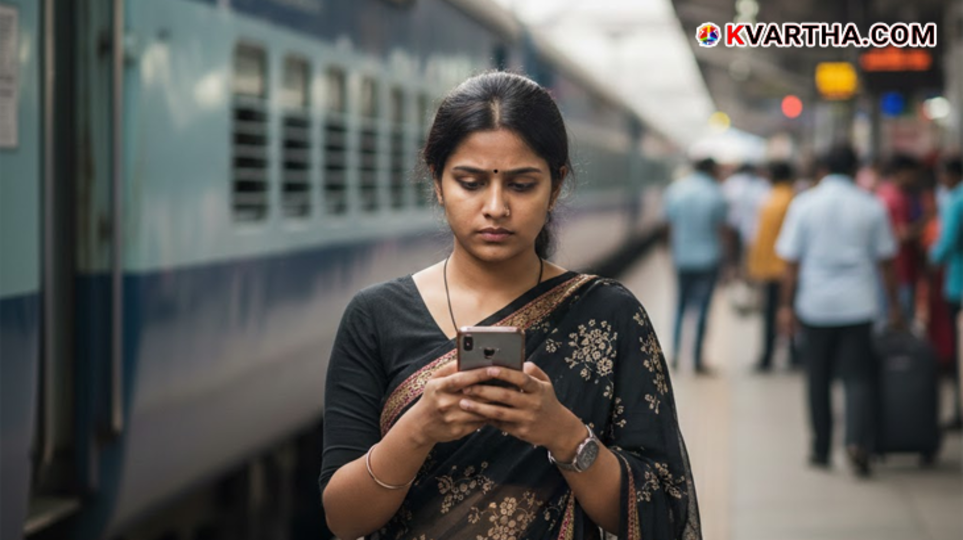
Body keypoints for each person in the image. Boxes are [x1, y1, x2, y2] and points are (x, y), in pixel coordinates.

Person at [318, 72, 701, 540]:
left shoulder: (609, 315)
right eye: (470, 182)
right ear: (437, 182)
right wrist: (418, 428)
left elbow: (662, 511)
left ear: (555, 187)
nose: (495, 207)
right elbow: (343, 519)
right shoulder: (374, 317)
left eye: (521, 185)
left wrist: (563, 434)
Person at [776, 144, 902, 477]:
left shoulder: (804, 204)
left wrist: (786, 307)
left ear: (822, 169)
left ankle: (820, 449)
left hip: (815, 305)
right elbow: (887, 263)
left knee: (817, 378)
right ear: (855, 169)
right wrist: (894, 307)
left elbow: (790, 263)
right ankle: (857, 443)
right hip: (859, 304)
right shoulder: (871, 205)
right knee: (859, 377)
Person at [664, 157, 728, 374]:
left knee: (680, 307)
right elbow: (722, 229)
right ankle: (697, 359)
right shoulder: (716, 193)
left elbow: (667, 225)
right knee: (702, 308)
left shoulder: (676, 190)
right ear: (711, 170)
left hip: (682, 257)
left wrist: (669, 253)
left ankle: (674, 355)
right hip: (709, 258)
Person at [746, 161, 800, 372]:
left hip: (768, 268)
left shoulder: (768, 200)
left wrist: (754, 267)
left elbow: (759, 239)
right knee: (789, 312)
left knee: (769, 316)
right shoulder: (792, 200)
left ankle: (767, 356)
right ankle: (794, 355)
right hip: (787, 269)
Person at [929, 156, 963, 430]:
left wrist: (929, 257)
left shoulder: (956, 200)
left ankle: (960, 410)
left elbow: (946, 243)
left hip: (959, 285)